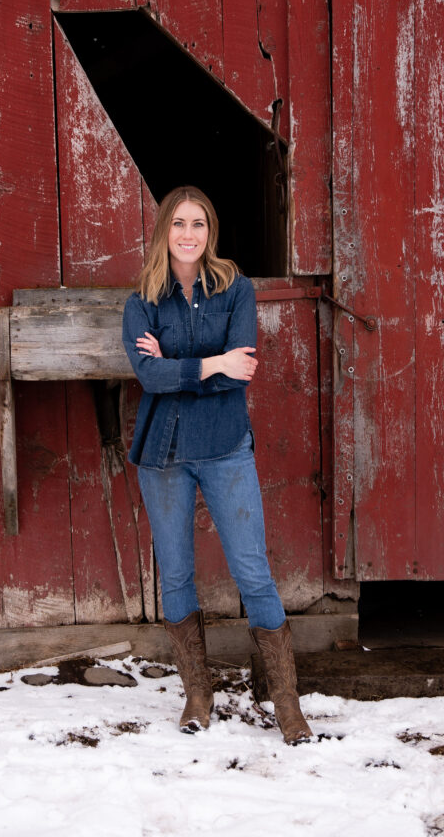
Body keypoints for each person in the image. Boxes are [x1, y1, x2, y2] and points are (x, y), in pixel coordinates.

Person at [121, 185, 311, 745]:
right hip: (162, 455)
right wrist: (209, 363)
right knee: (177, 575)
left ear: (211, 231)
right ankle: (198, 696)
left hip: (226, 447)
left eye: (198, 223)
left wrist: (183, 368)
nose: (188, 234)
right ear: (163, 231)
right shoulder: (142, 300)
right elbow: (149, 378)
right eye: (178, 223)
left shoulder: (237, 289)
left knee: (253, 573)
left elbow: (241, 371)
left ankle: (288, 708)